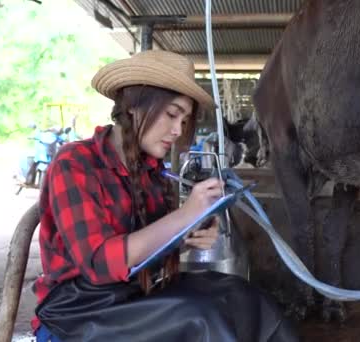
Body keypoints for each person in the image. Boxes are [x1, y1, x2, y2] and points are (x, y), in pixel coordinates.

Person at [31, 50, 297, 342]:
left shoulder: (151, 171)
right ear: (133, 105)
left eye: (183, 121)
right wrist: (185, 215)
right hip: (79, 310)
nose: (177, 130)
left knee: (247, 299)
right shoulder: (75, 163)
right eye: (172, 114)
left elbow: (150, 251)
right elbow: (100, 264)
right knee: (203, 319)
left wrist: (188, 236)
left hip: (135, 295)